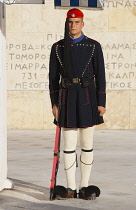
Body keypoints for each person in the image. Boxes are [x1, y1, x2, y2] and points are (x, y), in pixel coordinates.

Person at [49, 8, 106, 200]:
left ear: (83, 23)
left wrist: (101, 102)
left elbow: (101, 76)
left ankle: (84, 186)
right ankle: (70, 187)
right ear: (67, 24)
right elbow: (53, 78)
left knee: (87, 145)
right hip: (66, 98)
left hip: (87, 96)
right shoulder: (58, 47)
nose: (73, 26)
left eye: (77, 22)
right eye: (70, 22)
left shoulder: (93, 46)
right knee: (69, 145)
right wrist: (54, 104)